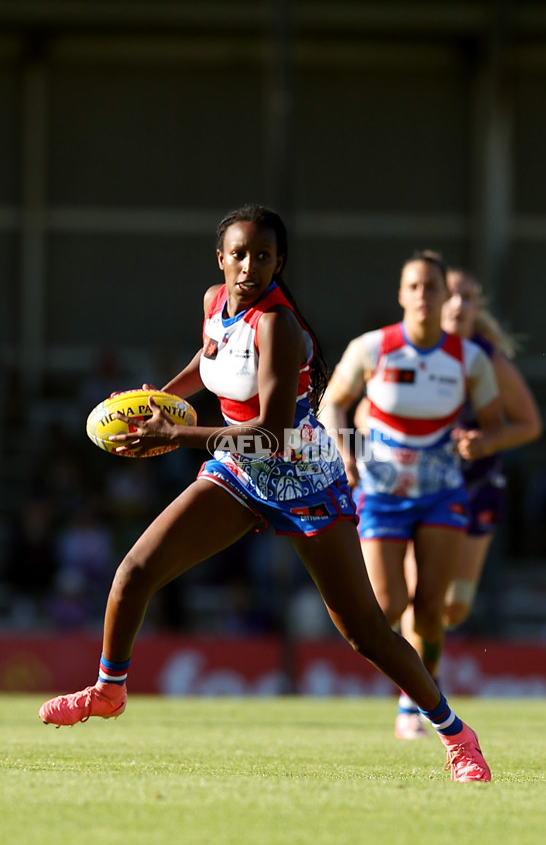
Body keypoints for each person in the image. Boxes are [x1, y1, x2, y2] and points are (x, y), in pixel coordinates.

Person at [39, 206, 491, 782]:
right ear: (221, 258)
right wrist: (158, 401)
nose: (250, 265)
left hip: (302, 474)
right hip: (239, 470)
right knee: (134, 570)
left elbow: (274, 433)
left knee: (368, 634)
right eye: (239, 254)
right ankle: (109, 689)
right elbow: (206, 365)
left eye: (264, 256)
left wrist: (177, 434)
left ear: (280, 262)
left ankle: (458, 738)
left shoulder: (278, 325)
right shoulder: (215, 302)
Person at [319, 251, 506, 739]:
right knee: (386, 603)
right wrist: (346, 454)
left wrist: (480, 442)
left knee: (431, 609)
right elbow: (332, 403)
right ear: (402, 295)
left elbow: (493, 425)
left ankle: (418, 702)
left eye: (432, 287)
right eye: (415, 287)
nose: (424, 295)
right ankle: (412, 687)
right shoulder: (373, 348)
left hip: (443, 493)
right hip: (381, 492)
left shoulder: (470, 359)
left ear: (446, 296)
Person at [436, 267, 542, 629]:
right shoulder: (403, 351)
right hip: (419, 486)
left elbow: (530, 425)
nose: (457, 304)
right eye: (449, 294)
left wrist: (485, 442)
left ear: (478, 306)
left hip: (475, 485)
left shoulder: (489, 360)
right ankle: (418, 683)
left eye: (467, 297)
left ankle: (421, 674)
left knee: (454, 607)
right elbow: (366, 412)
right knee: (418, 595)